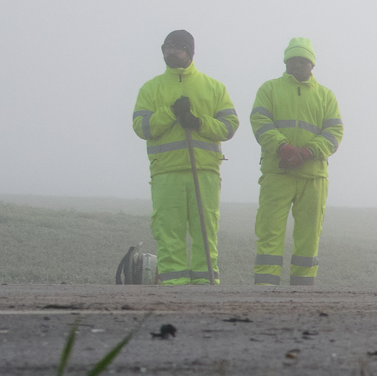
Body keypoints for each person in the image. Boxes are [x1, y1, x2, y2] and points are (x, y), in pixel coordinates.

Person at [131, 30, 237, 287]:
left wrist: (198, 122)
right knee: (169, 237)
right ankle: (173, 291)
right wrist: (170, 113)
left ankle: (206, 290)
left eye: (177, 47)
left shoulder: (213, 87)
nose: (171, 51)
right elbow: (141, 127)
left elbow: (229, 126)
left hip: (204, 172)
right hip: (166, 174)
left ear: (190, 51)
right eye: (167, 47)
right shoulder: (151, 88)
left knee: (205, 234)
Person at [249, 37, 342, 287]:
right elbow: (260, 123)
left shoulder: (326, 96)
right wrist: (283, 147)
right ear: (286, 62)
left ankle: (302, 292)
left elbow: (334, 134)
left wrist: (308, 153)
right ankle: (265, 290)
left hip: (313, 178)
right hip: (277, 175)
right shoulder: (269, 89)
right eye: (293, 60)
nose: (298, 64)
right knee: (270, 232)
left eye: (303, 60)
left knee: (309, 238)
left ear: (312, 65)